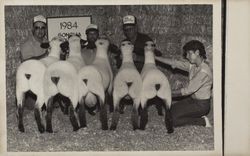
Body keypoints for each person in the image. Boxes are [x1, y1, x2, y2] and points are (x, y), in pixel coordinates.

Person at [155, 40, 212, 127]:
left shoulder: (203, 72)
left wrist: (167, 92)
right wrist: (155, 58)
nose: (187, 56)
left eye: (189, 53)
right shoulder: (193, 65)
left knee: (172, 121)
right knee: (170, 112)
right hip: (192, 100)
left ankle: (202, 121)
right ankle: (192, 115)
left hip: (201, 105)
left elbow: (187, 90)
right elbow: (175, 63)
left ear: (197, 52)